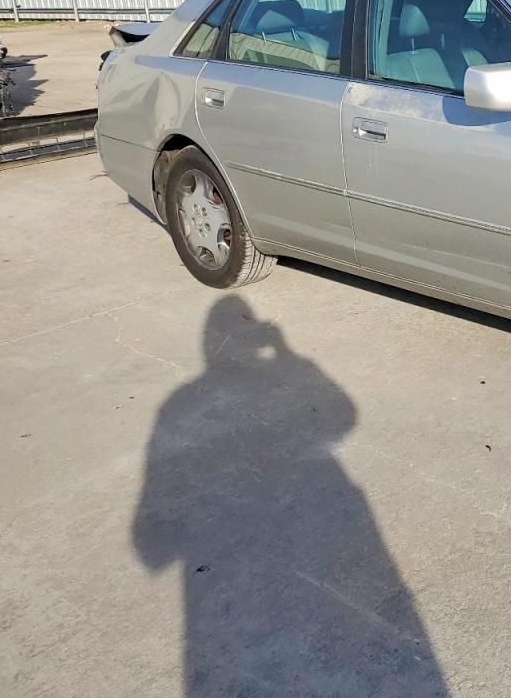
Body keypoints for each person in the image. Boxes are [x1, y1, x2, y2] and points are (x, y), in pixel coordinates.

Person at [133, 295, 446, 696]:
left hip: (232, 600)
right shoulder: (186, 405)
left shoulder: (178, 405)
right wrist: (286, 353)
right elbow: (344, 416)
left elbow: (150, 547)